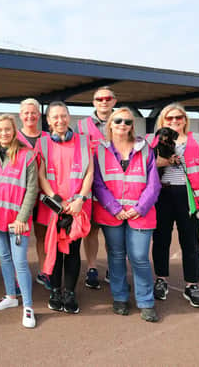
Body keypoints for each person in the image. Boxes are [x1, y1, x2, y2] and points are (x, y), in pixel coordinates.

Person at [146, 103, 199, 308]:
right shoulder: (150, 142)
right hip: (161, 195)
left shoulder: (198, 141)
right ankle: (161, 280)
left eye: (178, 117)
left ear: (185, 119)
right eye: (169, 119)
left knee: (190, 243)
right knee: (160, 239)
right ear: (163, 121)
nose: (174, 121)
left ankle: (192, 285)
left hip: (189, 199)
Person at [92, 108, 160, 322]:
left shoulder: (145, 150)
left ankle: (146, 301)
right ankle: (120, 297)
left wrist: (139, 208)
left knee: (139, 257)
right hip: (112, 214)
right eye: (118, 120)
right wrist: (115, 208)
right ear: (110, 124)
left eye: (127, 122)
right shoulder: (99, 151)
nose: (122, 124)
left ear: (132, 126)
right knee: (116, 256)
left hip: (141, 213)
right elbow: (98, 183)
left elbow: (153, 184)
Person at [0, 114, 37, 328]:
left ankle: (28, 306)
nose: (4, 133)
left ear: (14, 131)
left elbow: (32, 189)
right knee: (4, 258)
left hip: (17, 221)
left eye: (7, 129)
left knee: (20, 262)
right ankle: (11, 296)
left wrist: (22, 218)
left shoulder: (27, 156)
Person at [37, 101, 93, 314]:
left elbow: (90, 173)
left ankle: (69, 292)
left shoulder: (84, 141)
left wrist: (79, 199)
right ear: (49, 121)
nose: (60, 120)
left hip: (77, 207)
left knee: (72, 251)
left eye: (63, 116)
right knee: (53, 249)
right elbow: (41, 175)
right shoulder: (42, 143)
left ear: (69, 117)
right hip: (54, 208)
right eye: (55, 117)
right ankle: (55, 291)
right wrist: (57, 200)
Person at [77, 86, 116, 290]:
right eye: (99, 98)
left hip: (116, 188)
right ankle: (92, 268)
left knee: (113, 232)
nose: (103, 101)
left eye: (107, 98)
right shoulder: (81, 125)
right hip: (90, 187)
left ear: (114, 102)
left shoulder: (122, 122)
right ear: (93, 102)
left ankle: (113, 267)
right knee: (90, 231)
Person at [16, 98, 51, 290]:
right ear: (20, 115)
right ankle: (18, 277)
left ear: (39, 115)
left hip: (43, 196)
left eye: (33, 113)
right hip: (19, 196)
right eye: (26, 113)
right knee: (18, 236)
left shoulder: (47, 138)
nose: (30, 116)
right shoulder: (13, 137)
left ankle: (44, 272)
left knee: (42, 236)